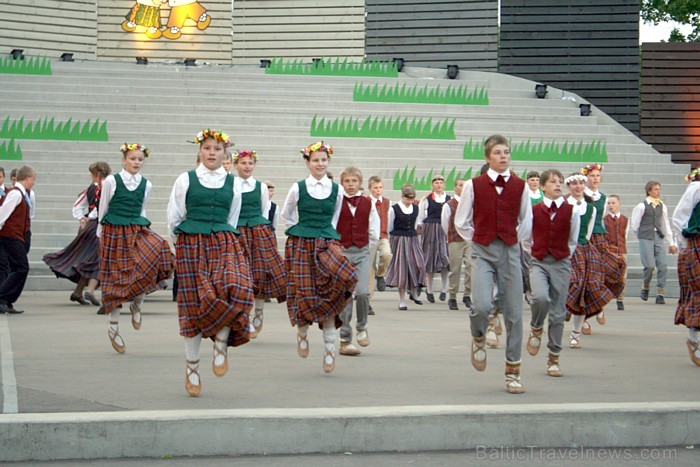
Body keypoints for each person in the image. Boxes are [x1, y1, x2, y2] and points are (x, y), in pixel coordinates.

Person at [167, 129, 255, 397]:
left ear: (225, 153)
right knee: (193, 305)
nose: (212, 153)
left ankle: (221, 340)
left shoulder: (234, 183)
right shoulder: (185, 179)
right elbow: (174, 216)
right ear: (200, 151)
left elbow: (233, 216)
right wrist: (179, 247)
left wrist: (221, 235)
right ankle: (192, 366)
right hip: (191, 243)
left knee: (235, 286)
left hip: (223, 240)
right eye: (207, 148)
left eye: (217, 149)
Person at [455, 134, 532, 394]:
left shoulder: (521, 186)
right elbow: (461, 221)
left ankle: (513, 371)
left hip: (510, 251)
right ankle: (478, 336)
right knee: (482, 305)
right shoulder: (473, 185)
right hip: (482, 250)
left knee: (514, 314)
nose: (503, 157)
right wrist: (478, 240)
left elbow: (526, 220)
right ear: (488, 158)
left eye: (506, 152)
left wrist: (512, 240)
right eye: (498, 153)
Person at [281, 141, 357, 374]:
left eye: (324, 160)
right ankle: (302, 332)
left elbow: (334, 216)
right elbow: (287, 214)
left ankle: (330, 349)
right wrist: (303, 232)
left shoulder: (336, 189)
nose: (320, 164)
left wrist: (326, 235)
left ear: (328, 162)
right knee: (303, 290)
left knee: (342, 278)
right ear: (308, 162)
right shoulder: (298, 187)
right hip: (302, 242)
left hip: (326, 241)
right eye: (315, 160)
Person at [98, 143, 173, 354]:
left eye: (140, 159)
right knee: (115, 278)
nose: (136, 163)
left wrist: (143, 227)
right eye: (133, 159)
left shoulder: (145, 183)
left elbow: (143, 207)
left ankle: (137, 303)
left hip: (136, 228)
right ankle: (113, 327)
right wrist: (100, 233)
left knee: (156, 253)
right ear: (124, 160)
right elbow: (103, 207)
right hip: (113, 230)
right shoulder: (112, 181)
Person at [522, 170, 579, 377]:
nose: (558, 185)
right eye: (553, 182)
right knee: (540, 297)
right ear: (543, 186)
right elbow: (526, 238)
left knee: (558, 313)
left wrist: (562, 255)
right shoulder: (534, 210)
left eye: (560, 182)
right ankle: (536, 325)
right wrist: (537, 252)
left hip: (561, 263)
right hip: (538, 261)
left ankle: (554, 356)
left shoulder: (571, 211)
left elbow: (573, 240)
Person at [43, 162, 112, 308]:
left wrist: (82, 218)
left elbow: (78, 205)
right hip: (101, 227)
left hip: (89, 226)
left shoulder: (91, 188)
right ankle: (91, 290)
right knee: (98, 259)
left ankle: (78, 292)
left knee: (88, 260)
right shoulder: (110, 186)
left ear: (96, 174)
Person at [233, 149, 286, 338]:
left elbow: (264, 211)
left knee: (260, 272)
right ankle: (245, 317)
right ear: (235, 165)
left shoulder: (260, 187)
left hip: (257, 232)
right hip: (238, 232)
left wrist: (260, 232)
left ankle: (259, 311)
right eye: (243, 163)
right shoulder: (230, 184)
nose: (247, 166)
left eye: (250, 163)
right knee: (241, 274)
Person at [565, 172, 613, 349]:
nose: (578, 187)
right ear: (568, 187)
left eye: (580, 184)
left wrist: (583, 248)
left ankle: (575, 333)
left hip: (583, 249)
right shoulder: (563, 204)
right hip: (564, 250)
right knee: (570, 285)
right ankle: (565, 307)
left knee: (584, 289)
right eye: (574, 184)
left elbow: (588, 232)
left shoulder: (591, 208)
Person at [337, 167, 379, 356]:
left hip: (361, 251)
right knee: (346, 295)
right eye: (347, 181)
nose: (351, 184)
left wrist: (367, 246)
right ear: (342, 183)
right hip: (342, 251)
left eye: (354, 181)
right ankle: (345, 337)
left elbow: (374, 228)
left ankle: (362, 326)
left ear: (360, 183)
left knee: (362, 292)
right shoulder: (337, 202)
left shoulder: (367, 203)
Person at [581, 163, 624, 330]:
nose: (595, 178)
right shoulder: (581, 194)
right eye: (592, 176)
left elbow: (600, 219)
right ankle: (584, 317)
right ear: (586, 177)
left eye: (598, 176)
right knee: (586, 277)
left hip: (599, 237)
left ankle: (598, 305)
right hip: (585, 238)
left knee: (608, 271)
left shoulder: (603, 197)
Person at [631, 181, 678, 304]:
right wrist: (641, 236)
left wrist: (671, 243)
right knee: (650, 265)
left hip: (658, 236)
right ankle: (645, 285)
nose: (658, 191)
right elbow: (635, 224)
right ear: (649, 191)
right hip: (646, 236)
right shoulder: (642, 206)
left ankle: (660, 292)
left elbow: (665, 224)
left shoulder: (662, 206)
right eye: (656, 189)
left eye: (659, 189)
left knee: (663, 265)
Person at [672, 168, 700, 366]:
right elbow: (679, 217)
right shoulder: (697, 188)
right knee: (696, 294)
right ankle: (695, 341)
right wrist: (685, 243)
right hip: (696, 244)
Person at [0, 165, 36, 314]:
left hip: (16, 235)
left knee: (17, 268)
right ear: (27, 178)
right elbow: (2, 213)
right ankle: (2, 296)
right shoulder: (16, 194)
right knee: (21, 267)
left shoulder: (23, 193)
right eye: (33, 179)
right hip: (10, 236)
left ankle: (6, 300)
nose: (33, 182)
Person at [385, 184, 425, 310]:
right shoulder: (394, 209)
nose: (409, 201)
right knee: (402, 269)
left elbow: (415, 224)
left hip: (412, 239)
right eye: (407, 198)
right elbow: (390, 226)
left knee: (420, 264)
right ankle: (402, 300)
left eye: (412, 199)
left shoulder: (416, 208)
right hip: (399, 239)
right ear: (402, 196)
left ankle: (414, 291)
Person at [417, 175, 451, 302]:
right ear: (433, 185)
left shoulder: (449, 199)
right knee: (430, 259)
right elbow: (420, 217)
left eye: (441, 182)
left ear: (444, 185)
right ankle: (429, 289)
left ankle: (444, 289)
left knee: (444, 258)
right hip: (430, 229)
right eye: (436, 182)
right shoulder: (426, 199)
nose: (439, 185)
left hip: (444, 230)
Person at [442, 177, 472, 310]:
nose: (462, 188)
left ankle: (467, 294)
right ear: (455, 187)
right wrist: (450, 236)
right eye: (460, 185)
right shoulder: (449, 204)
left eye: (464, 185)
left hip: (469, 239)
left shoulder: (471, 202)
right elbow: (444, 223)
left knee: (471, 265)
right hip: (455, 239)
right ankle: (452, 295)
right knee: (455, 268)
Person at [367, 176, 392, 302]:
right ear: (370, 189)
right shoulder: (366, 201)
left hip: (382, 235)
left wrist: (387, 232)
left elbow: (389, 217)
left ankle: (381, 274)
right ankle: (369, 297)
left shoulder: (387, 202)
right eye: (375, 188)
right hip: (370, 237)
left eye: (380, 187)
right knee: (370, 267)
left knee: (386, 254)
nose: (378, 190)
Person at [604, 194, 629, 310]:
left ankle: (620, 298)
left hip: (622, 250)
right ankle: (605, 297)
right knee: (608, 274)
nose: (611, 205)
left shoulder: (625, 219)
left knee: (623, 275)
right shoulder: (605, 220)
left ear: (619, 204)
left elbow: (625, 235)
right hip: (610, 250)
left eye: (613, 203)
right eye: (609, 203)